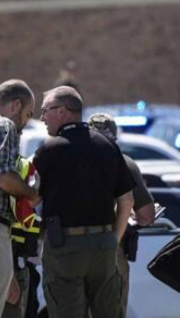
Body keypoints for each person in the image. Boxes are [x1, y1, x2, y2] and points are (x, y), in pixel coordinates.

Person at [33, 86, 134, 318]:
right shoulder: (108, 146)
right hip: (104, 245)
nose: (42, 118)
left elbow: (33, 196)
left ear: (62, 111)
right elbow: (126, 200)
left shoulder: (49, 149)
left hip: (65, 247)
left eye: (45, 110)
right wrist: (113, 239)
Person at [87, 113, 156, 316]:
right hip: (110, 247)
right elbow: (147, 215)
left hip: (69, 248)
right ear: (114, 139)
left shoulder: (65, 158)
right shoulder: (124, 163)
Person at [0, 81, 40, 316]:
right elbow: (3, 177)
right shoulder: (6, 125)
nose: (25, 123)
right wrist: (31, 193)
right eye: (28, 114)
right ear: (16, 105)